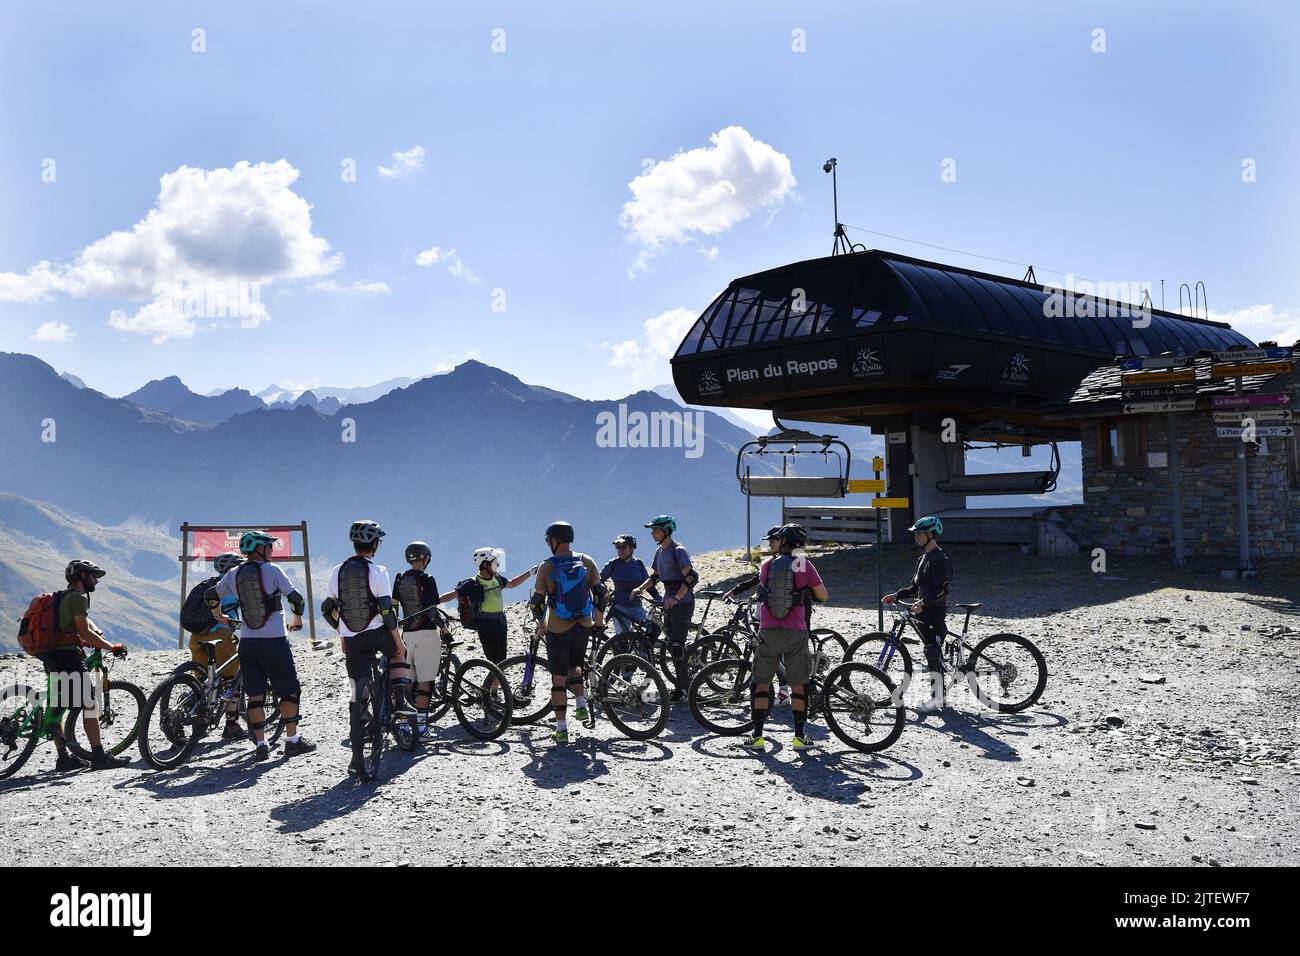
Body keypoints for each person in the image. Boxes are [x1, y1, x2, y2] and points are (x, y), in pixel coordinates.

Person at [208, 531, 314, 761]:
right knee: (289, 690)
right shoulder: (273, 571)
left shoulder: (234, 574)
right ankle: (292, 741)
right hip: (274, 640)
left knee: (254, 695)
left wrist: (220, 617)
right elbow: (296, 599)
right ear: (260, 549)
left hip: (248, 643)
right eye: (269, 546)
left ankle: (261, 745)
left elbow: (211, 595)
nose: (272, 550)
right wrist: (297, 620)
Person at [325, 520, 413, 780]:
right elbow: (387, 609)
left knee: (357, 685)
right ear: (374, 544)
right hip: (376, 633)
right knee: (399, 653)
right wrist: (397, 640)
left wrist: (343, 633)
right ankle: (399, 702)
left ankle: (361, 717)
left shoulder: (337, 570)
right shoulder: (378, 570)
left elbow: (328, 608)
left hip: (352, 638)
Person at [38, 560, 129, 771]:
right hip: (67, 658)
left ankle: (63, 758)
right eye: (93, 576)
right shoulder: (78, 597)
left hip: (51, 655)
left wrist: (89, 637)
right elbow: (84, 630)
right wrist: (111, 647)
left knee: (56, 706)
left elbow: (76, 628)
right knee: (89, 704)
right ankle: (98, 757)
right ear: (82, 576)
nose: (96, 580)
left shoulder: (60, 596)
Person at [743, 524, 827, 751]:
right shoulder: (804, 565)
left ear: (783, 541)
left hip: (768, 631)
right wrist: (805, 590)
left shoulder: (766, 565)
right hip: (796, 632)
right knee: (799, 685)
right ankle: (799, 737)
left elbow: (762, 589)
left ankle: (757, 737)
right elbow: (823, 595)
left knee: (761, 682)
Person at [528, 521, 607, 744]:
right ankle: (581, 704)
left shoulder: (548, 566)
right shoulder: (586, 561)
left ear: (555, 540)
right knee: (576, 666)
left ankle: (562, 730)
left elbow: (537, 602)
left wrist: (541, 624)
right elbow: (601, 592)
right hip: (583, 625)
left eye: (548, 540)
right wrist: (598, 618)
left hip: (558, 627)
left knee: (558, 678)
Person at [882, 515, 953, 713]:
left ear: (931, 535)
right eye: (916, 534)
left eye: (919, 534)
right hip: (923, 612)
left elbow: (942, 590)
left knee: (932, 652)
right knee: (931, 649)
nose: (916, 537)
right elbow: (916, 587)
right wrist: (896, 595)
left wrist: (924, 602)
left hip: (934, 613)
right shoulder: (923, 559)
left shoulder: (940, 558)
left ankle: (937, 699)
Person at [630, 515, 697, 702]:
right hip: (668, 601)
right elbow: (655, 577)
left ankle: (684, 689)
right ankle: (680, 684)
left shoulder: (678, 550)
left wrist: (677, 597)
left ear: (666, 530)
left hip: (682, 602)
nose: (652, 533)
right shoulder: (660, 552)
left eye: (655, 529)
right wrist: (639, 588)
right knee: (670, 643)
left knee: (677, 645)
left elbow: (691, 578)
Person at [392, 541, 451, 739]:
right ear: (426, 558)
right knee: (425, 681)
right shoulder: (428, 578)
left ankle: (403, 727)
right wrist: (444, 629)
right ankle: (422, 728)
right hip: (427, 634)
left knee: (407, 683)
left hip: (407, 635)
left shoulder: (400, 578)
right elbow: (432, 611)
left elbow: (393, 607)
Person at [183, 551, 245, 739]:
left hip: (196, 637)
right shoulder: (234, 588)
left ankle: (195, 715)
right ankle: (232, 726)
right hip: (221, 637)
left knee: (202, 681)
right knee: (232, 680)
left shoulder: (206, 585)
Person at [462, 547, 535, 669]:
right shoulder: (473, 582)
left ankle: (495, 687)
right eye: (495, 562)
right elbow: (454, 594)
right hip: (485, 624)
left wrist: (530, 573)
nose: (498, 564)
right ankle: (494, 686)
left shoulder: (497, 578)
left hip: (500, 622)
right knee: (496, 662)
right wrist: (435, 601)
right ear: (485, 564)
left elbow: (512, 583)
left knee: (502, 661)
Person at [599, 533, 654, 635]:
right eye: (618, 547)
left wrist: (658, 598)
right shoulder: (613, 564)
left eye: (623, 547)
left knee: (648, 635)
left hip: (637, 607)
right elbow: (599, 580)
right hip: (620, 608)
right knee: (622, 641)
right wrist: (605, 592)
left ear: (632, 548)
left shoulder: (639, 564)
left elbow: (648, 584)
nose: (620, 550)